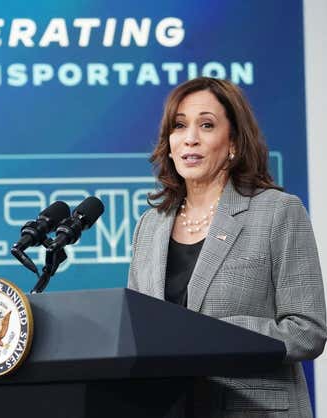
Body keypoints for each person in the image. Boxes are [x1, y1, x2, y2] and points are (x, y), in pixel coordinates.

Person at [127, 77, 327, 417]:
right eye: (179, 126)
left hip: (252, 409)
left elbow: (308, 331)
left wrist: (214, 336)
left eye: (206, 125)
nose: (190, 138)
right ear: (169, 142)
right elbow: (138, 329)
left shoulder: (277, 211)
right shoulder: (151, 225)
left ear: (232, 141)